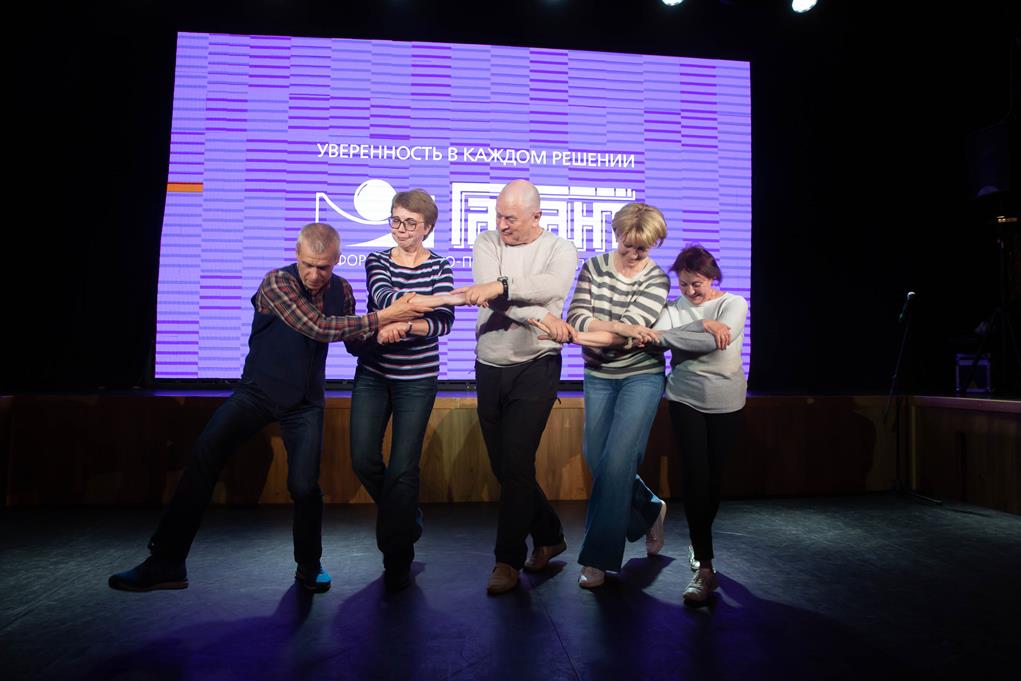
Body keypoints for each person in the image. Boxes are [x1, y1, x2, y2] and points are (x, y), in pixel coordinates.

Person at [108, 222, 431, 593]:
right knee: (204, 457)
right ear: (297, 255)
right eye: (308, 265)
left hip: (304, 403)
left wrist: (384, 333)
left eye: (323, 267)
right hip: (257, 393)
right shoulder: (277, 282)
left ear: (337, 260)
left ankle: (309, 565)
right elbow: (318, 327)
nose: (314, 274)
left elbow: (353, 342)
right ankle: (166, 561)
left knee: (304, 487)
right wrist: (385, 316)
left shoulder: (341, 289)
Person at [456, 179, 579, 595]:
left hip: (537, 364)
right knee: (506, 467)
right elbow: (491, 298)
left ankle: (506, 560)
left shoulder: (560, 249)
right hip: (490, 364)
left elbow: (551, 288)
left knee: (517, 461)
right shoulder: (487, 242)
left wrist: (503, 287)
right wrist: (538, 314)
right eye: (499, 215)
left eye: (510, 218)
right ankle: (549, 534)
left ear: (536, 216)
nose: (502, 224)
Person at [346, 189, 462, 592]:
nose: (400, 229)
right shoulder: (376, 260)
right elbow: (385, 297)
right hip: (374, 372)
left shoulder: (441, 265)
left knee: (403, 468)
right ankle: (406, 515)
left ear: (427, 228)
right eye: (395, 220)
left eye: (410, 223)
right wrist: (427, 303)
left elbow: (443, 322)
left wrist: (404, 324)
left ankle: (397, 556)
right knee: (363, 458)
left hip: (418, 379)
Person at [557, 202, 671, 589]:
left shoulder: (657, 279)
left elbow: (628, 337)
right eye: (628, 244)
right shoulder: (594, 267)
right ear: (617, 233)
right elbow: (577, 316)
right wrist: (617, 326)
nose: (634, 253)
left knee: (619, 461)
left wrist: (593, 331)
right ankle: (650, 509)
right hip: (599, 376)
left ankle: (598, 559)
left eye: (643, 248)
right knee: (597, 458)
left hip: (641, 376)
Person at [649, 244, 748, 605]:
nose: (690, 291)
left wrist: (686, 334)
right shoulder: (673, 308)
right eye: (684, 285)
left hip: (727, 401)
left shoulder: (733, 303)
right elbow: (657, 339)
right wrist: (702, 324)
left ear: (712, 278)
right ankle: (705, 568)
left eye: (698, 284)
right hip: (684, 398)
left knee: (713, 481)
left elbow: (716, 343)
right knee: (695, 477)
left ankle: (698, 541)